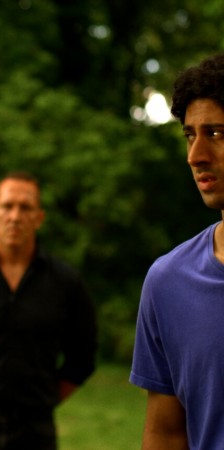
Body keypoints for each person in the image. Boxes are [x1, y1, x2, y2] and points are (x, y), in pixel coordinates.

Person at [0, 171, 97, 450]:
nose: (15, 216)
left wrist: (44, 400)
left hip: (36, 432)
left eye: (25, 207)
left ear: (39, 218)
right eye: (7, 206)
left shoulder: (65, 282)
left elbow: (82, 358)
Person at [130, 53, 224, 449]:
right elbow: (166, 433)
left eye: (216, 134)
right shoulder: (168, 282)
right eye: (190, 135)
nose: (195, 156)